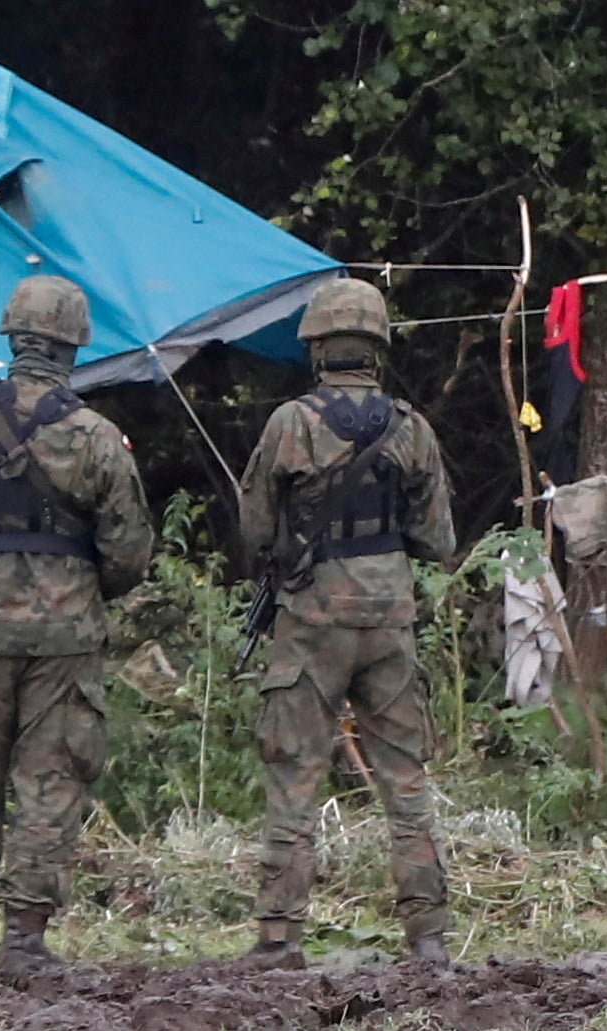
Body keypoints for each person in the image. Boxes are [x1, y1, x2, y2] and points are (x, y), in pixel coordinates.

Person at [0, 275, 153, 973]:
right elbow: (129, 551)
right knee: (51, 776)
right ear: (75, 343)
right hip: (65, 632)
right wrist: (78, 587)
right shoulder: (97, 436)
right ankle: (25, 940)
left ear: (11, 336)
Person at [238, 277, 455, 968]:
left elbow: (254, 529)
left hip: (310, 616)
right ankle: (427, 938)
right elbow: (436, 540)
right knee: (405, 777)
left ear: (317, 346)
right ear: (377, 348)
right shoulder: (410, 426)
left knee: (295, 771)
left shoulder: (290, 424)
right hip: (389, 615)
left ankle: (279, 937)